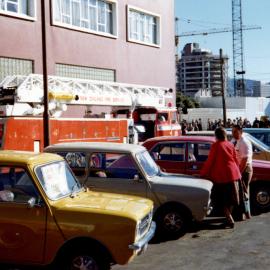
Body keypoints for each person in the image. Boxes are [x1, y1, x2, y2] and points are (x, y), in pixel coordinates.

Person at [201, 127, 241, 228]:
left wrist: (203, 173)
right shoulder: (230, 144)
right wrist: (238, 171)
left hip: (221, 176)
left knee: (221, 199)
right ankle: (229, 216)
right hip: (233, 174)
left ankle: (229, 218)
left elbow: (210, 161)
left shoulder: (216, 146)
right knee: (232, 198)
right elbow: (236, 159)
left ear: (216, 135)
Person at [232, 125, 253, 219]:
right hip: (239, 167)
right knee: (241, 192)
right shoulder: (235, 140)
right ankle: (243, 213)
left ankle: (246, 213)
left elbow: (245, 159)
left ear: (241, 131)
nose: (233, 134)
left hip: (244, 169)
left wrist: (239, 173)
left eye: (235, 132)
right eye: (232, 132)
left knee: (244, 192)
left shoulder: (244, 141)